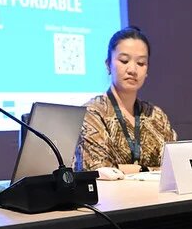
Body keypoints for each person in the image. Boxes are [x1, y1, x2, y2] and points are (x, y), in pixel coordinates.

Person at [75, 26, 176, 171]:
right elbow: (99, 170)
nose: (132, 70)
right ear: (108, 64)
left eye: (141, 63)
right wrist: (148, 169)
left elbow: (175, 167)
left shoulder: (156, 116)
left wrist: (130, 169)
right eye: (124, 61)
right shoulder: (92, 113)